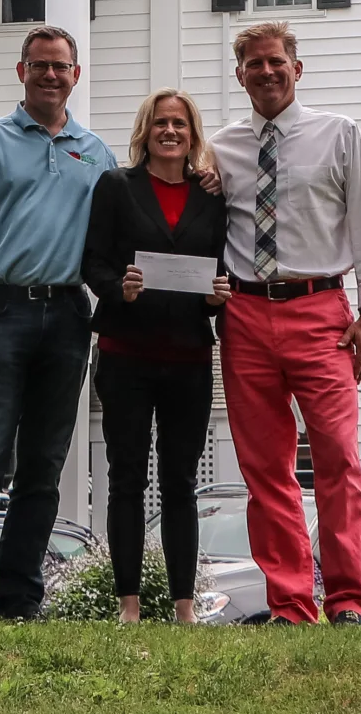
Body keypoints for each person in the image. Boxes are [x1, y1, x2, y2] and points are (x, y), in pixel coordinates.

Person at [210, 20, 361, 625]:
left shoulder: (339, 135)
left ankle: (348, 600)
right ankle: (290, 602)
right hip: (243, 314)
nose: (266, 72)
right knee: (265, 468)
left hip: (322, 312)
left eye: (275, 61)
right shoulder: (221, 149)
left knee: (338, 457)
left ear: (296, 67)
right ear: (240, 75)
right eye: (254, 64)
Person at [0, 25, 109, 621]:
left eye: (61, 67)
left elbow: (126, 222)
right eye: (40, 66)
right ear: (22, 72)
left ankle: (20, 598)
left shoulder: (96, 152)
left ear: (75, 75)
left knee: (44, 464)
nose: (51, 75)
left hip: (67, 316)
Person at [81, 88, 230, 623]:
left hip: (189, 358)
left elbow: (222, 271)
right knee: (126, 479)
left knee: (180, 483)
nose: (170, 132)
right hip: (125, 355)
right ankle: (129, 605)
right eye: (161, 123)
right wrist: (117, 286)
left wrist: (218, 297)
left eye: (181, 124)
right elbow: (92, 262)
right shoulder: (116, 187)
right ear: (145, 131)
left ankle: (184, 608)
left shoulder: (212, 198)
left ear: (193, 135)